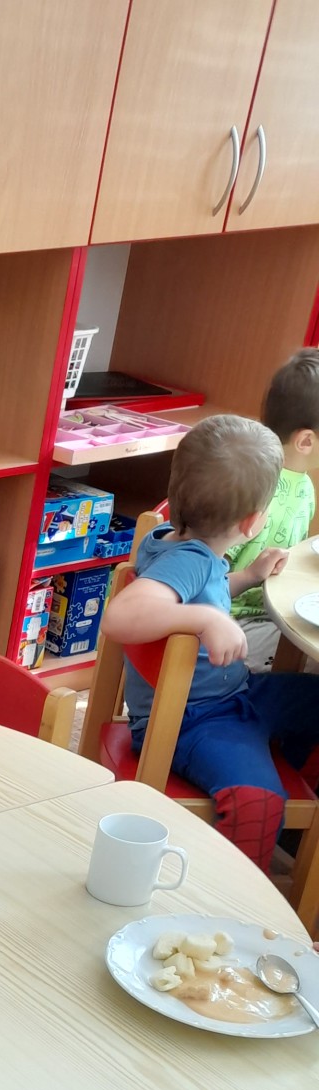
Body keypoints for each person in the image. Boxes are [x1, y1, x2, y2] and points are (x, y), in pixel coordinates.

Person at [104, 413, 319, 870]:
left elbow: (203, 588)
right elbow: (120, 617)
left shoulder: (176, 541)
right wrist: (205, 618)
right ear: (253, 521)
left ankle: (293, 823)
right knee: (260, 802)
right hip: (190, 720)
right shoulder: (191, 561)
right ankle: (233, 894)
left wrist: (248, 576)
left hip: (228, 698)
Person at [227, 350, 319, 671]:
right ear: (306, 441)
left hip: (271, 614)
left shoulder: (304, 486)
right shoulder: (252, 487)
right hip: (233, 623)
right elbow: (203, 577)